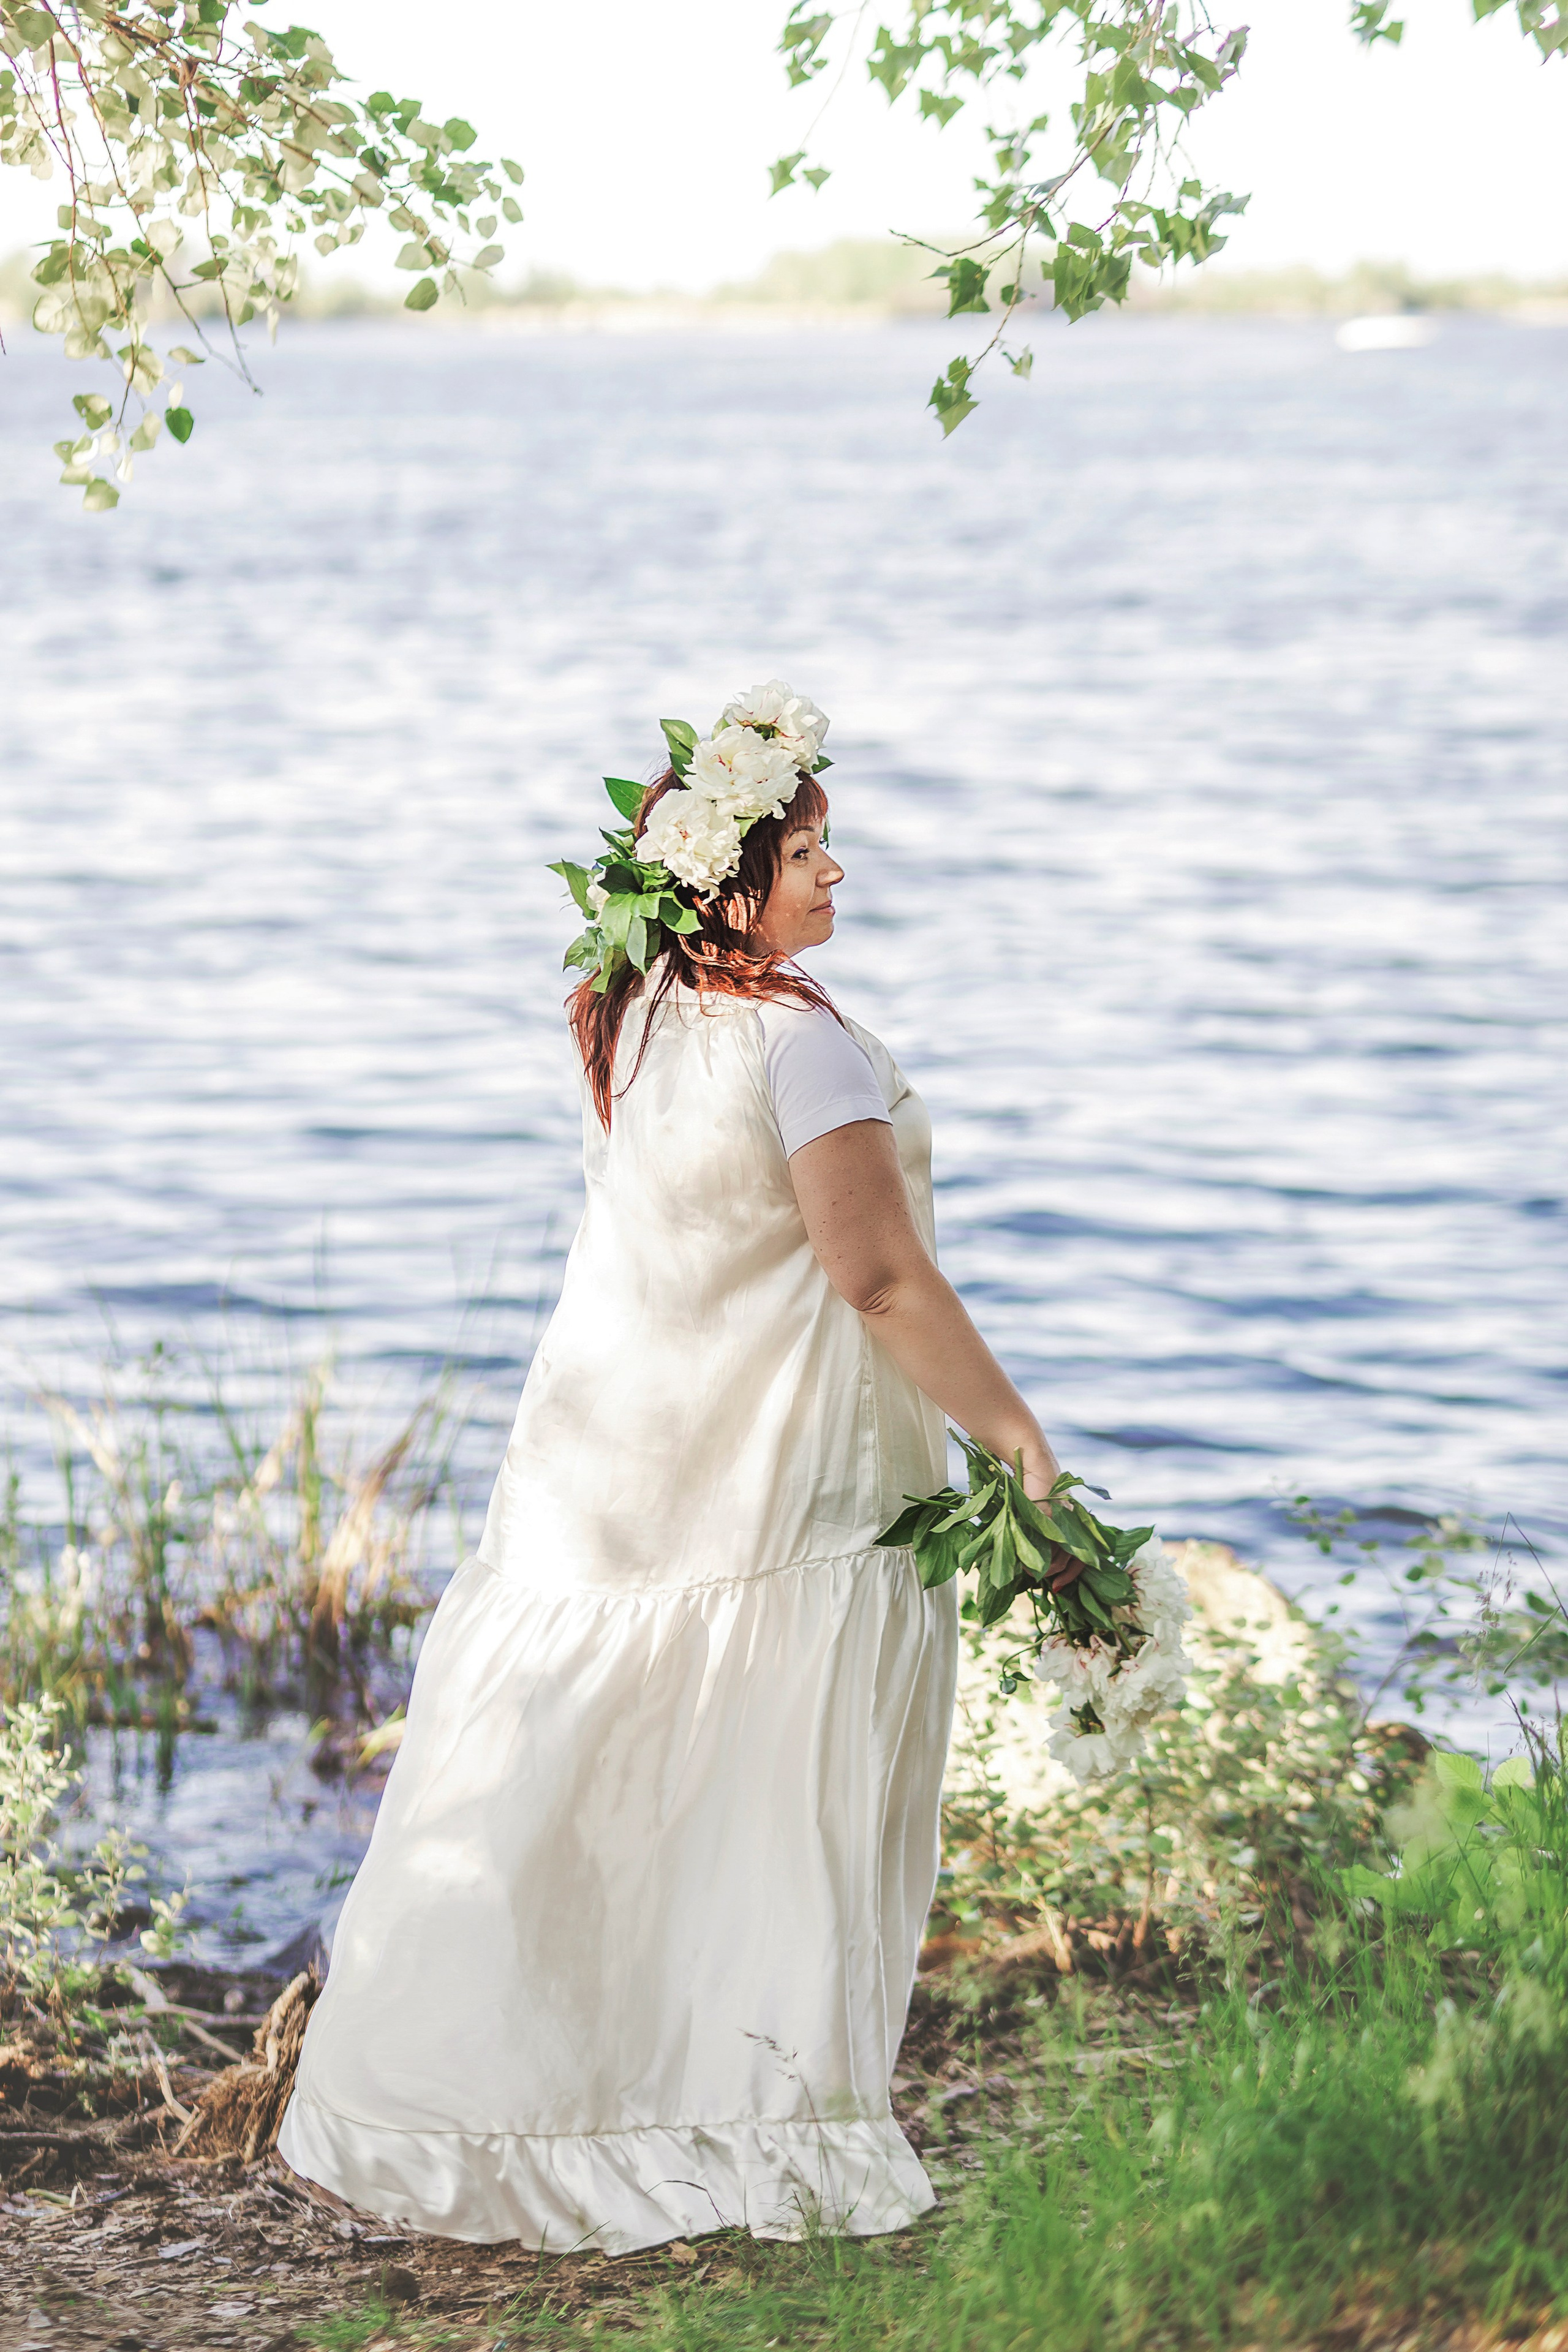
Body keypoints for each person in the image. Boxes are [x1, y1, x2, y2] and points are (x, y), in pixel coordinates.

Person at [278, 681, 1061, 2253]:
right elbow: (880, 1282)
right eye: (809, 852)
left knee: (587, 1794)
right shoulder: (804, 1051)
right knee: (767, 1813)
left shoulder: (637, 1014)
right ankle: (752, 2125)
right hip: (777, 1476)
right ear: (732, 875)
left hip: (618, 1465)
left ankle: (516, 2105)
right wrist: (1016, 1442)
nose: (835, 877)